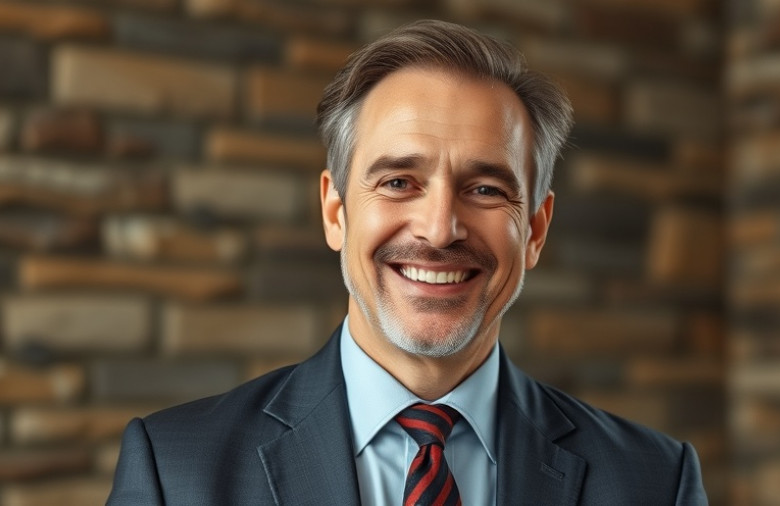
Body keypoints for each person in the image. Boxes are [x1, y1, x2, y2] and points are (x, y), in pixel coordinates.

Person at [107, 19, 708, 505]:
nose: (439, 228)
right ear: (336, 212)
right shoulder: (174, 471)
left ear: (535, 230)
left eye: (486, 189)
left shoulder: (655, 481)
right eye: (398, 181)